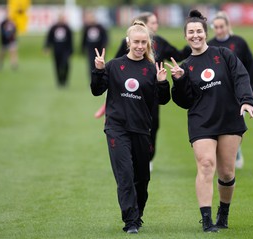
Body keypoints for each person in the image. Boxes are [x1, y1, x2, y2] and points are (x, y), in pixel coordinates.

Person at [165, 10, 253, 233]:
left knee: (226, 172)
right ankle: (206, 220)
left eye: (199, 31)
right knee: (206, 165)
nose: (195, 35)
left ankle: (223, 214)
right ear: (185, 36)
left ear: (205, 33)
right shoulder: (185, 66)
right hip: (202, 122)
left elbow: (241, 77)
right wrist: (178, 80)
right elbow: (184, 101)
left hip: (229, 118)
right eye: (191, 32)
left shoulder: (223, 54)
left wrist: (247, 100)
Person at [90, 21, 170, 234]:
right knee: (125, 175)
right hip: (117, 129)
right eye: (136, 42)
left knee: (142, 179)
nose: (139, 46)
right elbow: (97, 91)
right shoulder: (114, 65)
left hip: (142, 130)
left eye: (144, 42)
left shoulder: (152, 69)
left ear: (148, 44)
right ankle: (130, 221)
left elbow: (163, 100)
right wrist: (98, 70)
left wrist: (162, 82)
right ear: (128, 42)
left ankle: (138, 213)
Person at [95, 11, 191, 171]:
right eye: (153, 23)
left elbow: (179, 55)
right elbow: (115, 70)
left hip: (152, 91)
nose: (156, 25)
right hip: (127, 96)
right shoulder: (123, 52)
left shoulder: (160, 42)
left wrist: (192, 43)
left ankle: (147, 157)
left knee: (153, 126)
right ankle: (132, 159)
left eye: (156, 23)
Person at [208, 11, 253, 169]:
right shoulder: (210, 45)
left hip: (236, 89)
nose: (219, 30)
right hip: (217, 90)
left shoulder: (239, 42)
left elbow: (250, 65)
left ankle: (236, 149)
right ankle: (220, 153)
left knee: (235, 121)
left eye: (222, 26)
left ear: (228, 26)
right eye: (216, 27)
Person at [44, 15, 73, 88]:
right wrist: (47, 47)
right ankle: (59, 81)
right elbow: (49, 38)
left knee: (66, 64)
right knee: (57, 66)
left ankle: (65, 79)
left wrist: (71, 50)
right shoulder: (54, 27)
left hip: (65, 50)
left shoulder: (67, 28)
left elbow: (70, 40)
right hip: (56, 50)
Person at [81, 11, 108, 78]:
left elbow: (105, 37)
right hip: (90, 49)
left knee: (100, 64)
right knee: (91, 64)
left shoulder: (100, 27)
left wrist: (104, 45)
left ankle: (101, 77)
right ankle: (93, 79)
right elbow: (84, 38)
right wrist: (83, 47)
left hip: (100, 49)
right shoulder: (87, 28)